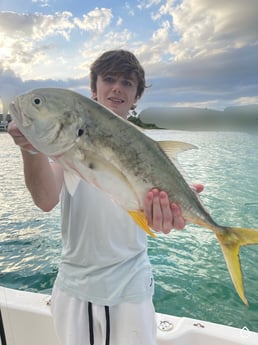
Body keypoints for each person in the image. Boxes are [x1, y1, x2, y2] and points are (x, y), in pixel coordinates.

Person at [8, 50, 203, 345]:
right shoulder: (71, 141)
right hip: (75, 287)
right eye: (109, 79)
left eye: (127, 83)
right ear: (94, 88)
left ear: (136, 95)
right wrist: (30, 148)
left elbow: (160, 222)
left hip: (130, 288)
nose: (117, 88)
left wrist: (170, 219)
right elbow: (46, 199)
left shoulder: (150, 150)